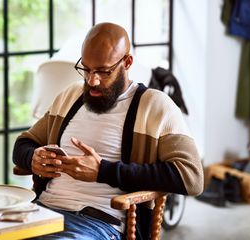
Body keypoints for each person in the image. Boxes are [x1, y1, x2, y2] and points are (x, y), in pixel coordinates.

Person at [13, 22, 204, 240]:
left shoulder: (155, 106)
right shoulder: (71, 96)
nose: (91, 80)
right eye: (86, 68)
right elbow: (23, 144)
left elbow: (192, 178)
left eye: (103, 72)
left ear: (127, 62)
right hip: (41, 212)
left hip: (98, 222)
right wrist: (33, 158)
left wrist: (103, 171)